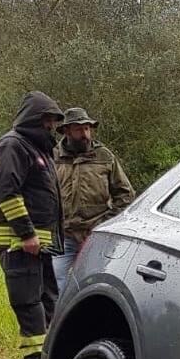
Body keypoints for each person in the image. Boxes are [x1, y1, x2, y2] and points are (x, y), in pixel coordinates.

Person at [0, 91, 65, 359]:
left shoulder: (37, 148)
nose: (51, 126)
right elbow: (8, 192)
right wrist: (26, 233)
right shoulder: (13, 145)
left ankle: (49, 357)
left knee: (48, 299)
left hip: (38, 243)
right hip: (19, 242)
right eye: (47, 119)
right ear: (35, 118)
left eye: (53, 121)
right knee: (28, 301)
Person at [53, 108, 134, 290]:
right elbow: (42, 194)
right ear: (66, 131)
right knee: (54, 282)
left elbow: (125, 194)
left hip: (96, 234)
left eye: (88, 128)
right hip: (62, 235)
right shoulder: (53, 157)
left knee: (93, 283)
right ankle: (56, 318)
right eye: (79, 129)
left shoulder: (104, 156)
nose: (85, 134)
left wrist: (105, 223)